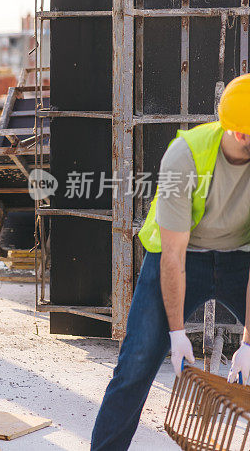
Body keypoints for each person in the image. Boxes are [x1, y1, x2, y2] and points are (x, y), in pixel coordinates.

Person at [90, 73, 250, 450]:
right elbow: (173, 256)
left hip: (240, 257)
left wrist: (248, 342)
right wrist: (176, 335)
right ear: (241, 134)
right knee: (138, 360)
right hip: (183, 255)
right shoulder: (186, 156)